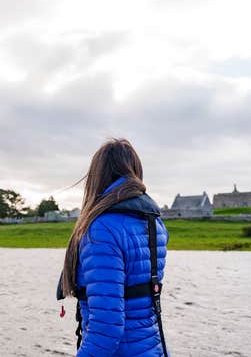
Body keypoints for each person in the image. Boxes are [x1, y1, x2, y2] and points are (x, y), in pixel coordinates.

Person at [60, 138, 169, 357]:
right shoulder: (154, 223)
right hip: (151, 349)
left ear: (97, 176)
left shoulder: (102, 229)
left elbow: (106, 328)